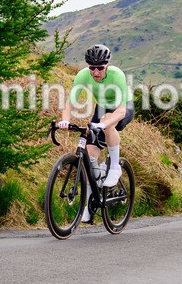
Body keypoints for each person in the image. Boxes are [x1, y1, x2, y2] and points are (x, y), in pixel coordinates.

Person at [57, 44, 134, 221]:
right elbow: (69, 104)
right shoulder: (83, 76)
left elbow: (121, 111)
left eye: (100, 68)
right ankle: (90, 203)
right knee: (89, 156)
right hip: (102, 108)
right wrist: (65, 120)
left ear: (107, 65)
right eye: (92, 68)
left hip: (123, 107)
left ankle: (115, 167)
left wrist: (105, 123)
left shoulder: (117, 75)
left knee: (107, 123)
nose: (96, 72)